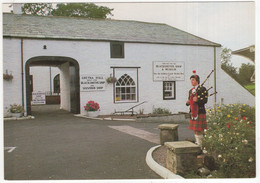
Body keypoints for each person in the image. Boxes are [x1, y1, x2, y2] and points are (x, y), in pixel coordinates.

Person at [186, 70, 208, 147]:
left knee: (199, 130)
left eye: (193, 80)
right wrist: (187, 102)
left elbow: (205, 100)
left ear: (197, 80)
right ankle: (198, 144)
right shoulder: (191, 91)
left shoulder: (202, 89)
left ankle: (201, 145)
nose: (191, 81)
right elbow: (190, 101)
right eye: (191, 80)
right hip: (193, 112)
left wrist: (198, 100)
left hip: (200, 111)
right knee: (195, 130)